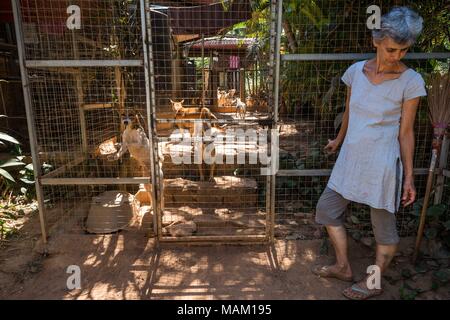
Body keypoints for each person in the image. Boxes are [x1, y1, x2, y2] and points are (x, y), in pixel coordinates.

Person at [312, 7, 427, 300]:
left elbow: (406, 132)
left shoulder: (410, 81)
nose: (397, 56)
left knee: (383, 230)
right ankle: (343, 267)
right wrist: (338, 140)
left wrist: (410, 177)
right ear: (376, 40)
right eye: (391, 49)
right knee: (326, 210)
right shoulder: (356, 72)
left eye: (403, 50)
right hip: (350, 157)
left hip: (383, 164)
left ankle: (373, 281)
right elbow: (350, 111)